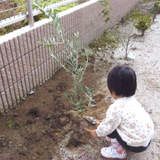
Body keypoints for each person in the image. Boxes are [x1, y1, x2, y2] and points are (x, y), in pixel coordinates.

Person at [91, 65, 154, 159]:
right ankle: (125, 141)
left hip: (137, 145)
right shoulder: (133, 100)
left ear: (114, 90)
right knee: (112, 124)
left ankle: (118, 152)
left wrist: (97, 132)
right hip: (147, 138)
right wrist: (107, 120)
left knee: (110, 131)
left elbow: (108, 127)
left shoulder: (115, 108)